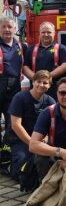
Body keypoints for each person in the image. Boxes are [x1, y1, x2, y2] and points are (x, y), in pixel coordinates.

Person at [7, 70, 55, 190]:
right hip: (20, 140)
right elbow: (16, 125)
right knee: (20, 171)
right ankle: (8, 165)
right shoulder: (20, 97)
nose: (42, 85)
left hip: (40, 140)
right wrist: (33, 144)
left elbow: (53, 126)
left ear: (49, 86)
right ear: (33, 82)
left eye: (45, 83)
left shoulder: (50, 101)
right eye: (39, 81)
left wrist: (46, 139)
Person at [0, 16, 27, 175]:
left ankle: (6, 153)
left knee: (11, 120)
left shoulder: (20, 45)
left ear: (15, 29)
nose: (7, 30)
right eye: (4, 27)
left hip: (14, 85)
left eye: (10, 27)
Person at [23, 21, 66, 99]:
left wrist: (47, 77)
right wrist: (36, 79)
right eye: (43, 32)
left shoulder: (61, 48)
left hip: (55, 88)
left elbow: (65, 66)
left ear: (54, 33)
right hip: (36, 89)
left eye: (49, 32)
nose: (46, 34)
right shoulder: (31, 49)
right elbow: (25, 67)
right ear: (39, 34)